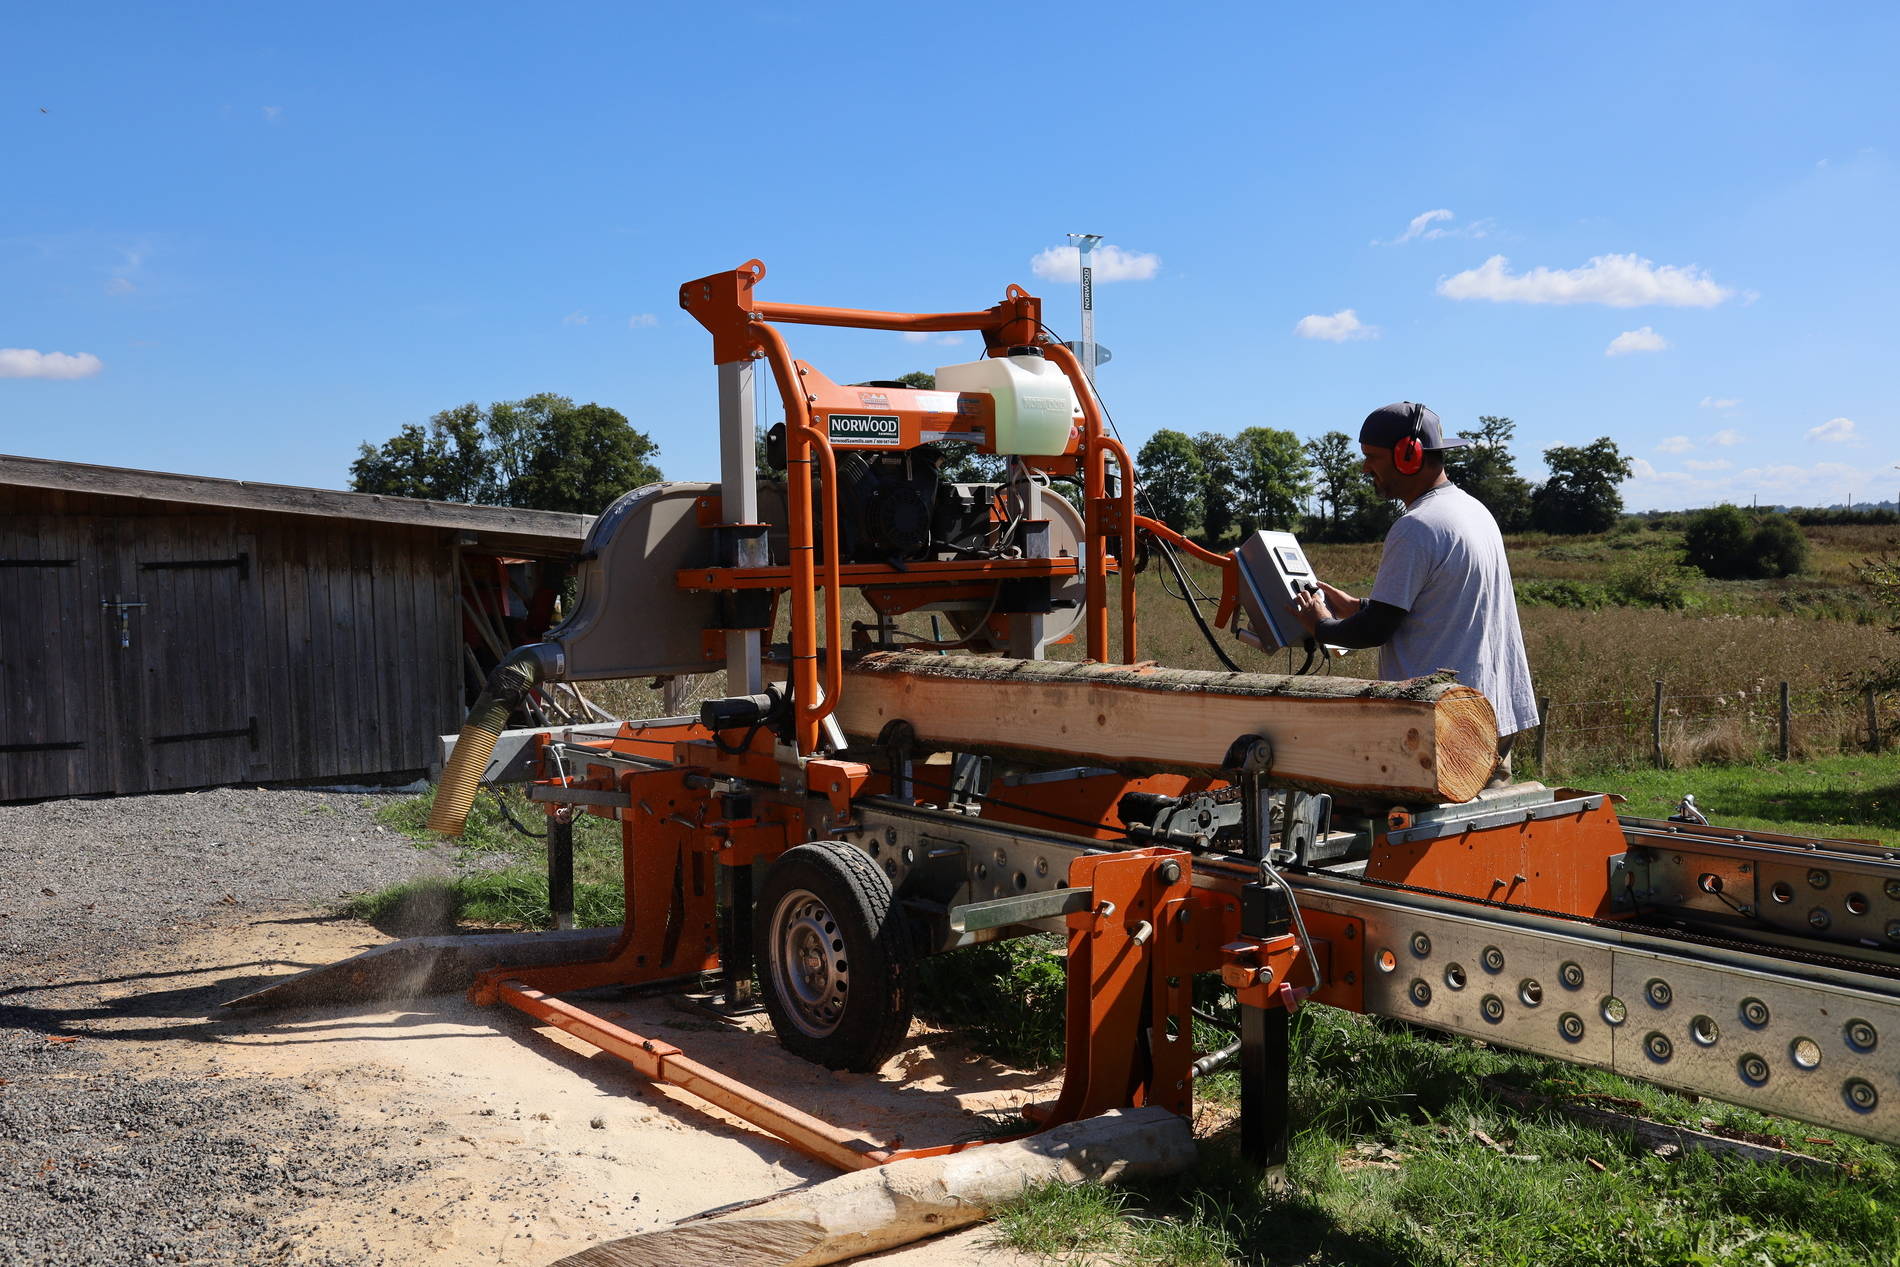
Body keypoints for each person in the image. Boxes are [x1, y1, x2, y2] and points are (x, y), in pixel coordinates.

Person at [1290, 402, 1538, 786]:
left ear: (1409, 456)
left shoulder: (1416, 526)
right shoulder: (1472, 511)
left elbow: (1375, 631)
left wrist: (1320, 624)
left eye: (1372, 457)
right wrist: (1360, 607)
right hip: (1491, 714)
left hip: (1444, 722)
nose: (1364, 468)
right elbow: (1442, 605)